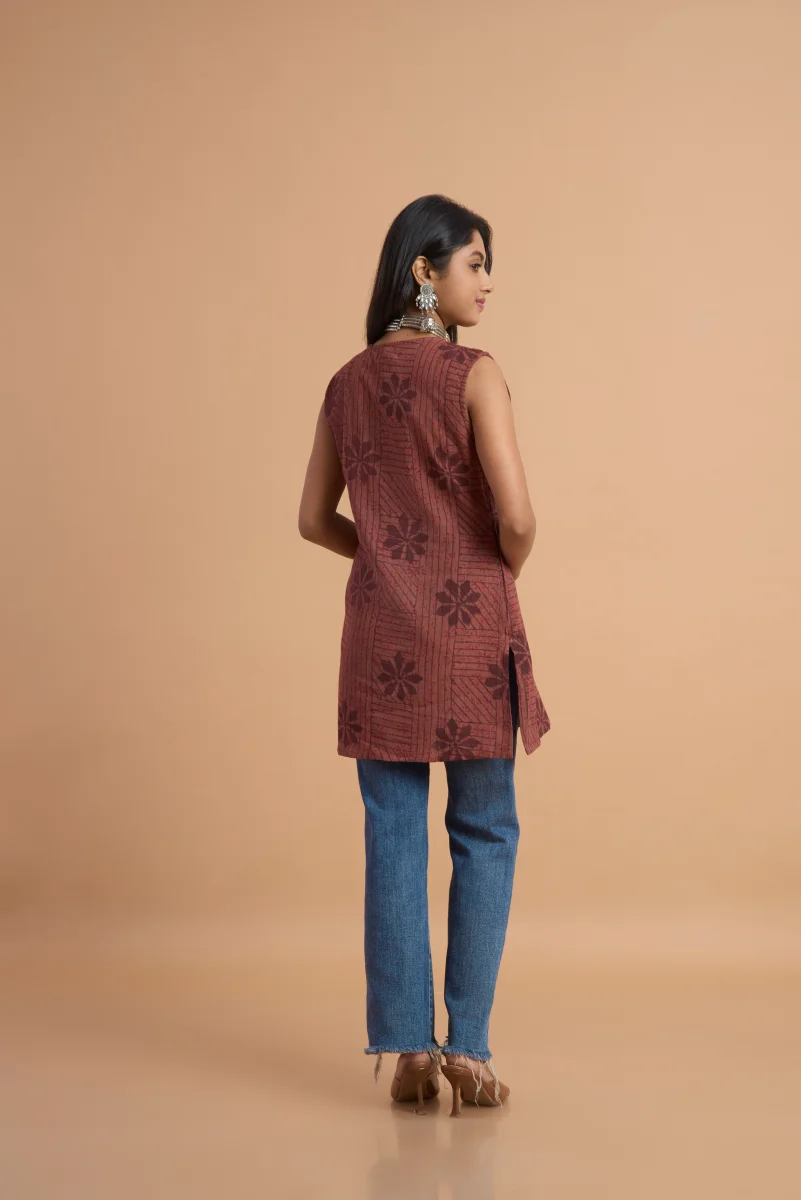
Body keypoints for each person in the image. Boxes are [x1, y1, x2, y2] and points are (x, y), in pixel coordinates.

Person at [298, 194, 551, 1115]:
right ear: (424, 270)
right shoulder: (474, 374)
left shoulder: (346, 382)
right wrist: (489, 566)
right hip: (470, 631)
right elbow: (517, 519)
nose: (487, 283)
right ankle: (468, 1051)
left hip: (379, 638)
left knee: (392, 834)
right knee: (484, 832)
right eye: (474, 263)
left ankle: (409, 1053)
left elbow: (311, 519)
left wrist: (385, 557)